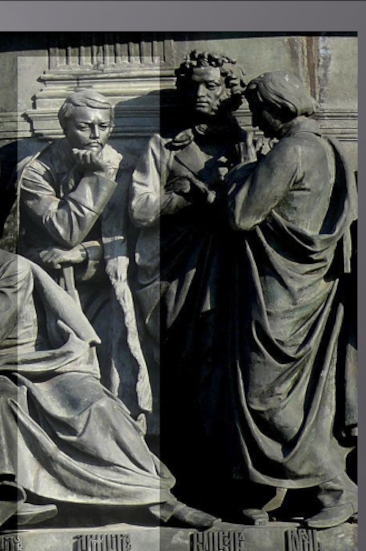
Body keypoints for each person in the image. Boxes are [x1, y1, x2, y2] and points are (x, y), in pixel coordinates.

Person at [0, 183, 220, 539]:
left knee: (97, 405)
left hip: (38, 361)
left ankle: (158, 498)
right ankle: (7, 500)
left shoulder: (6, 266)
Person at [225, 71, 358, 528]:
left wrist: (243, 170)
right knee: (295, 398)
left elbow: (241, 215)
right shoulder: (328, 147)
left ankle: (336, 489)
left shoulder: (291, 150)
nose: (255, 120)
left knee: (264, 395)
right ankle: (266, 487)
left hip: (281, 293)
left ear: (276, 107)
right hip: (310, 287)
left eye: (257, 110)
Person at [127, 51, 255, 498]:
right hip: (173, 271)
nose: (201, 94)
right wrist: (188, 198)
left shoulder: (248, 144)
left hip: (230, 270)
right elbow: (140, 208)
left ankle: (235, 476)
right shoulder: (163, 146)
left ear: (229, 91)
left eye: (211, 85)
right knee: (179, 367)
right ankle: (185, 475)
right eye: (193, 86)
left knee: (227, 368)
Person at [16, 90, 151, 428]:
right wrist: (98, 177)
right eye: (84, 126)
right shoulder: (36, 172)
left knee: (115, 368)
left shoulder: (125, 166)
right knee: (67, 381)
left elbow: (132, 237)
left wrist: (85, 253)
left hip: (110, 284)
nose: (95, 135)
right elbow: (65, 229)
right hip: (53, 290)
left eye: (103, 127)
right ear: (64, 127)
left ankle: (122, 438)